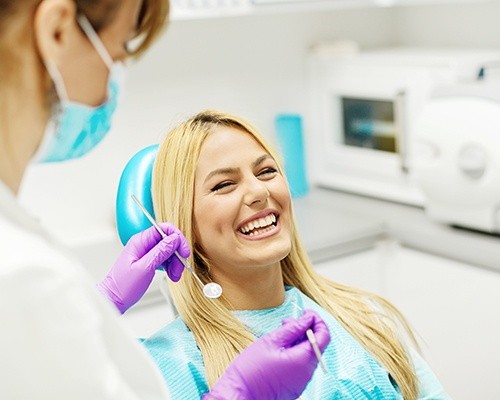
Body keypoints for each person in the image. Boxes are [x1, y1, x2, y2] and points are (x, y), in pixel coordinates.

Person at [0, 1, 330, 399]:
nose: (109, 90)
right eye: (119, 53)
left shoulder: (362, 320)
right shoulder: (24, 277)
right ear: (57, 30)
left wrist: (101, 303)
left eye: (266, 171)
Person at [144, 109, 452, 399]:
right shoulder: (168, 365)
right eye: (224, 184)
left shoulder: (363, 318)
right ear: (185, 223)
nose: (259, 192)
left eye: (266, 171)